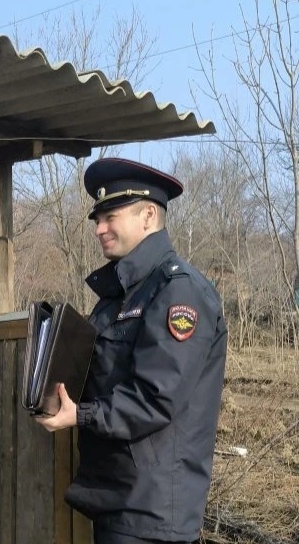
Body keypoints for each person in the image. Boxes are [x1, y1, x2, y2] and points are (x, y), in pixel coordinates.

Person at [37, 158, 228, 544]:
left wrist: (81, 414)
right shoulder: (120, 294)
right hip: (118, 495)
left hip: (152, 510)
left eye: (110, 216)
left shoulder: (178, 292)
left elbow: (155, 398)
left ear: (148, 215)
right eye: (96, 219)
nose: (99, 228)